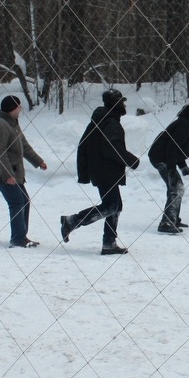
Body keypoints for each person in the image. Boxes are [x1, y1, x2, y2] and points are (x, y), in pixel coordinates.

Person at [61, 88, 139, 255]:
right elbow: (112, 148)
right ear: (116, 104)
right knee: (111, 206)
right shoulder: (110, 122)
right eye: (122, 102)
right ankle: (72, 220)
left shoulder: (102, 119)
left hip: (102, 170)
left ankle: (109, 243)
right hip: (105, 170)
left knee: (116, 206)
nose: (124, 104)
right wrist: (131, 160)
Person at [0, 94, 48, 248]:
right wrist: (8, 176)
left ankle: (22, 236)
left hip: (14, 175)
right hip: (3, 175)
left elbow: (24, 146)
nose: (20, 109)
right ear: (12, 109)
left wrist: (38, 160)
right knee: (17, 202)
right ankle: (17, 239)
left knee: (24, 201)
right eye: (18, 106)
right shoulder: (0, 126)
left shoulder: (13, 124)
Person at [147, 101, 189, 234]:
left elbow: (178, 149)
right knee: (176, 187)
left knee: (176, 187)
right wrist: (171, 169)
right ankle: (167, 223)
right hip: (160, 157)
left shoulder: (188, 123)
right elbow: (172, 147)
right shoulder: (185, 125)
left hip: (163, 157)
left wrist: (183, 166)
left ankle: (173, 218)